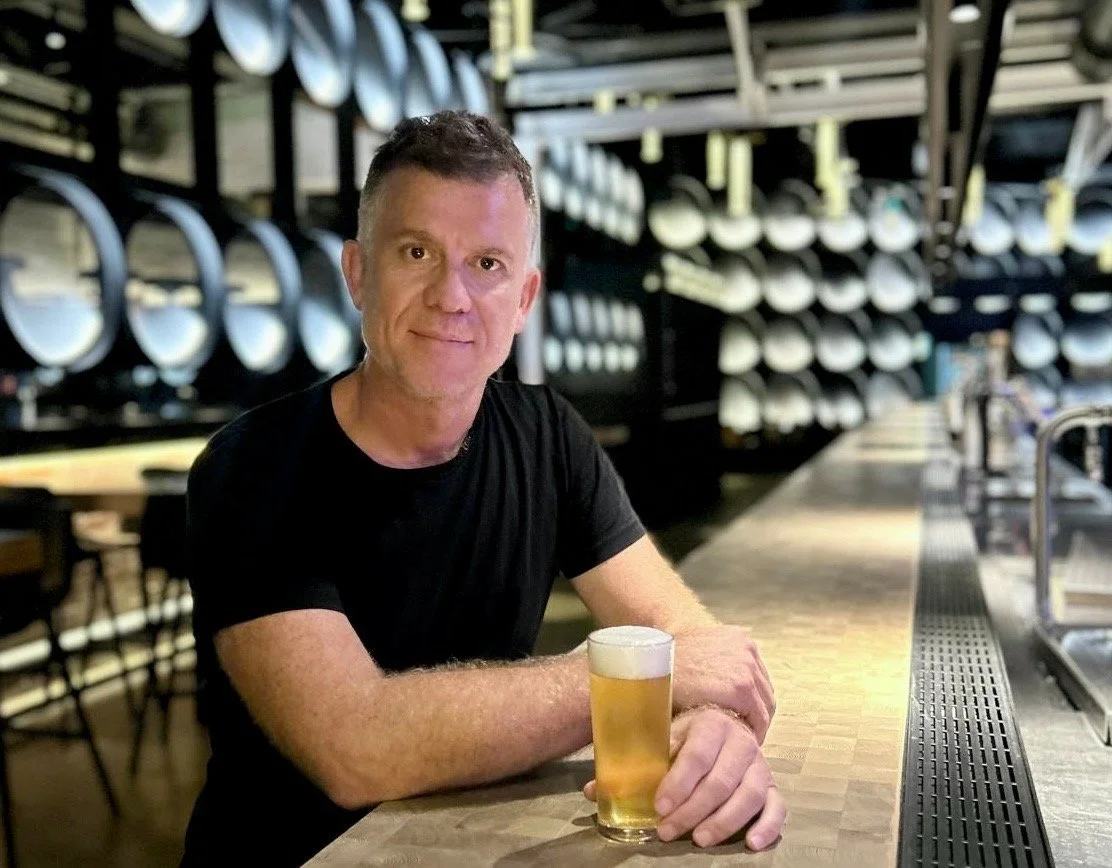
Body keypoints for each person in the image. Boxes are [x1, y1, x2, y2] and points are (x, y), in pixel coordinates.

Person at [181, 111, 784, 867]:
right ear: (358, 274)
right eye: (416, 252)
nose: (451, 295)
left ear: (524, 299)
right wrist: (634, 682)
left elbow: (686, 639)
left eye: (488, 264)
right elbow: (355, 746)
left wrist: (712, 731)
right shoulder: (254, 467)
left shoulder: (547, 435)